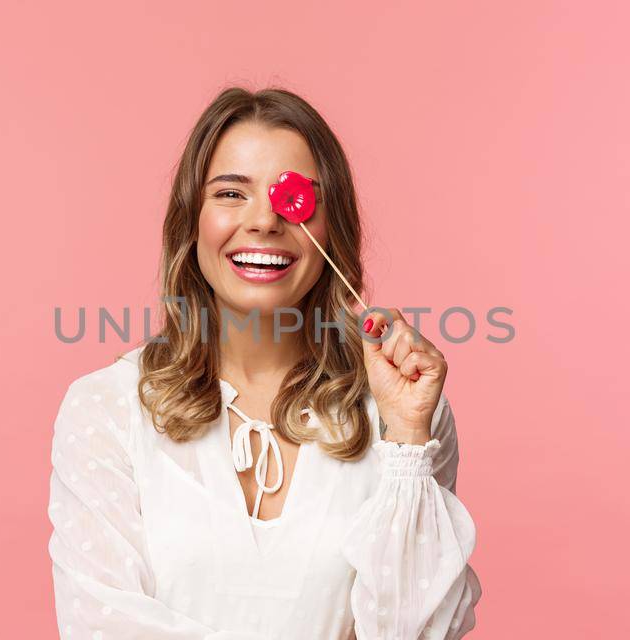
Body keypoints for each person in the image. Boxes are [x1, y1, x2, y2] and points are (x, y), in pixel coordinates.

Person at [47, 86, 481, 639]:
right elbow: (102, 627)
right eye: (231, 193)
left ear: (331, 228)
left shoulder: (402, 415)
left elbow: (420, 632)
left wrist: (407, 438)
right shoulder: (106, 409)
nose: (265, 221)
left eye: (293, 196)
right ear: (192, 220)